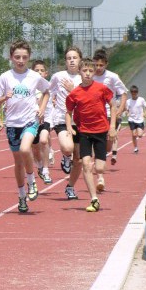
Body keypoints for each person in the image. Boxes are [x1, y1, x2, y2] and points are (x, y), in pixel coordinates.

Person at [0, 40, 50, 213]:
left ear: (29, 58)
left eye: (24, 57)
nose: (21, 60)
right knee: (18, 163)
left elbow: (47, 91)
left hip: (30, 121)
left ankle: (32, 183)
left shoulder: (34, 76)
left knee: (25, 150)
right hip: (12, 124)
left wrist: (42, 108)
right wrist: (4, 98)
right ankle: (22, 195)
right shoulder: (5, 77)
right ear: (11, 57)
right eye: (17, 57)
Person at [65, 58, 116, 212]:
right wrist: (69, 127)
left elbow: (113, 105)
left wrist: (112, 126)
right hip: (84, 132)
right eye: (84, 70)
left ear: (94, 72)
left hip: (101, 131)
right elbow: (68, 112)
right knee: (86, 164)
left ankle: (100, 176)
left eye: (90, 71)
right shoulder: (74, 93)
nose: (87, 74)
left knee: (100, 167)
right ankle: (94, 199)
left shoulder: (101, 88)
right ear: (79, 72)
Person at [48, 46, 83, 200]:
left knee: (79, 159)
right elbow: (49, 93)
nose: (72, 61)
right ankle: (65, 157)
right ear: (65, 61)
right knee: (67, 148)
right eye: (69, 58)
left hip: (81, 122)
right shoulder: (58, 76)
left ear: (80, 60)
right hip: (62, 119)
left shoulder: (85, 78)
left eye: (74, 58)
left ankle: (70, 187)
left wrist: (73, 90)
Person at [92, 49, 128, 191]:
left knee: (107, 145)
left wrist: (119, 110)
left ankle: (99, 162)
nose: (98, 68)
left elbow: (123, 93)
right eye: (96, 65)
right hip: (94, 115)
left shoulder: (112, 77)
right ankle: (99, 175)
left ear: (106, 64)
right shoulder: (89, 76)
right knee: (99, 144)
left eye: (101, 65)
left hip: (110, 114)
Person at [31, 60, 53, 184]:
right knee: (35, 148)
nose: (39, 72)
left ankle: (45, 170)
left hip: (46, 118)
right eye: (36, 70)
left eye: (41, 70)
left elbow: (52, 96)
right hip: (32, 120)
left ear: (46, 73)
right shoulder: (30, 86)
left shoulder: (48, 86)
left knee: (44, 140)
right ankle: (39, 166)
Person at [126, 85, 146, 153]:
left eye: (135, 92)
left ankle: (141, 129)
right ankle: (135, 148)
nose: (134, 94)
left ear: (137, 92)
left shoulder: (141, 99)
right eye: (132, 92)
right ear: (131, 93)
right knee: (133, 135)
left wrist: (145, 113)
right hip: (131, 119)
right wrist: (127, 113)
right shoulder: (128, 101)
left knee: (140, 135)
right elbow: (126, 109)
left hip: (140, 120)